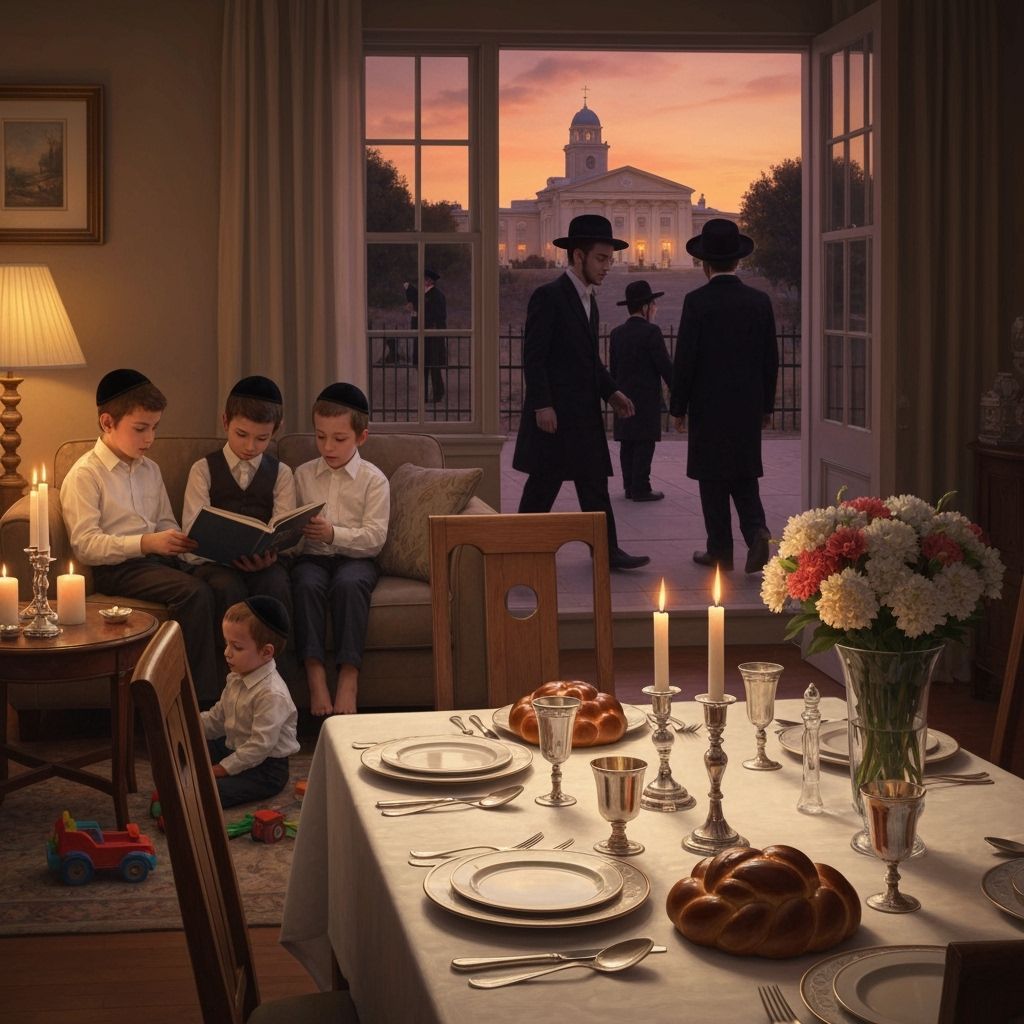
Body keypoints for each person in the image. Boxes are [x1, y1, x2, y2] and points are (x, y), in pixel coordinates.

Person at [61, 368, 220, 700]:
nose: (150, 439)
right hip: (119, 568)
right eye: (140, 429)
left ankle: (235, 702)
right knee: (195, 593)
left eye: (154, 428)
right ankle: (197, 705)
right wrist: (148, 543)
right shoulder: (86, 475)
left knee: (224, 582)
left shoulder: (151, 469)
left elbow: (164, 521)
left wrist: (176, 539)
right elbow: (87, 546)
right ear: (107, 423)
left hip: (159, 559)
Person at [513, 213, 649, 570]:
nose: (607, 267)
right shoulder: (549, 296)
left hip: (583, 414)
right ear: (577, 256)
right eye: (601, 259)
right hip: (555, 416)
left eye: (610, 259)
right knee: (542, 486)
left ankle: (607, 551)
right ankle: (516, 549)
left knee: (595, 487)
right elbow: (534, 355)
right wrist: (542, 404)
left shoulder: (588, 299)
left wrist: (612, 393)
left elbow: (589, 359)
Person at [670, 218, 779, 574]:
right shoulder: (759, 301)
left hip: (709, 405)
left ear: (705, 264)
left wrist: (678, 408)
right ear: (738, 261)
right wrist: (766, 406)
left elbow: (685, 358)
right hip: (747, 405)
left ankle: (720, 550)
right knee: (744, 475)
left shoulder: (696, 302)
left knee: (712, 478)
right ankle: (757, 532)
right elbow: (770, 359)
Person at [292, 383, 390, 716]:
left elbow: (375, 538)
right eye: (320, 437)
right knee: (305, 584)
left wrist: (333, 534)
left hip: (357, 560)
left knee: (349, 585)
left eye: (339, 439)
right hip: (312, 558)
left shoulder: (373, 480)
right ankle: (315, 676)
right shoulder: (302, 475)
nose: (328, 447)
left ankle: (349, 677)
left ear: (361, 437)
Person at [181, 376, 296, 658]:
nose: (250, 446)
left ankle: (275, 681)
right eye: (241, 434)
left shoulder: (282, 473)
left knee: (276, 584)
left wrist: (274, 552)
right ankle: (226, 682)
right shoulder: (202, 469)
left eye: (262, 438)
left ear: (276, 430)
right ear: (225, 422)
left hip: (265, 564)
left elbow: (286, 531)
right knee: (226, 587)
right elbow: (191, 539)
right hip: (216, 566)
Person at [201, 596, 300, 809]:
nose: (227, 652)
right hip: (235, 746)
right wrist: (189, 726)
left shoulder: (272, 694)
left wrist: (220, 769)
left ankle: (195, 797)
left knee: (211, 793)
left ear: (266, 652)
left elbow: (259, 747)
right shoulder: (237, 676)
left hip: (265, 768)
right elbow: (218, 718)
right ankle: (188, 783)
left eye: (236, 647)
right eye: (226, 643)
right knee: (194, 746)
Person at [609, 280, 674, 502]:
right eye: (653, 304)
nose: (655, 309)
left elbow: (614, 368)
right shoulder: (651, 332)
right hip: (646, 398)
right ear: (645, 307)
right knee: (645, 442)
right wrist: (679, 390)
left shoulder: (617, 334)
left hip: (623, 396)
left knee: (627, 443)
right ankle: (641, 487)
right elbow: (664, 366)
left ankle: (629, 485)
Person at [422, 268, 447, 403]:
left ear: (429, 280)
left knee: (433, 365)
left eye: (425, 279)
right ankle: (428, 393)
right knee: (429, 365)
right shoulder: (429, 294)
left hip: (433, 335)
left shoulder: (435, 295)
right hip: (429, 334)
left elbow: (439, 315)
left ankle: (437, 393)